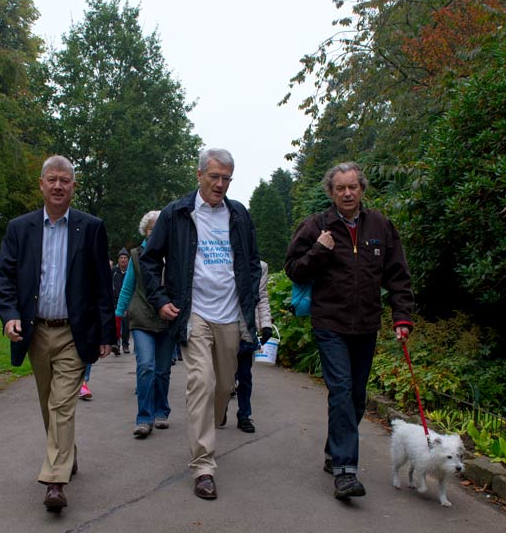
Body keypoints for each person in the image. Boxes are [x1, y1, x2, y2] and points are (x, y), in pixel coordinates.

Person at [285, 161, 413, 500]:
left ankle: (333, 450)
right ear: (331, 191)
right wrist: (319, 250)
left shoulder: (380, 226)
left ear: (362, 189)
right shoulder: (316, 226)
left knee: (356, 396)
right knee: (340, 390)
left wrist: (402, 317)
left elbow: (398, 274)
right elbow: (295, 270)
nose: (347, 193)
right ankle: (345, 471)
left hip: (366, 325)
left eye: (352, 186)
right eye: (340, 187)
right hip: (330, 324)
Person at [0, 155, 115, 512]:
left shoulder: (91, 227)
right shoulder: (20, 228)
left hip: (74, 333)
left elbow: (100, 285)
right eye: (52, 179)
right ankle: (67, 454)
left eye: (65, 180)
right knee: (49, 404)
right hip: (37, 331)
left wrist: (106, 332)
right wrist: (10, 315)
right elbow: (4, 275)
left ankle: (55, 481)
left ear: (74, 186)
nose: (58, 185)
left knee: (62, 403)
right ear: (42, 185)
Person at [141, 148, 261, 500]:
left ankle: (216, 417)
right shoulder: (177, 213)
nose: (220, 184)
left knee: (223, 388)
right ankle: (204, 466)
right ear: (199, 175)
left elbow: (252, 263)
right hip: (194, 313)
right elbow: (149, 260)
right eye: (214, 177)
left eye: (226, 178)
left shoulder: (239, 214)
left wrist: (249, 298)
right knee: (201, 383)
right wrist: (162, 301)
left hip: (230, 316)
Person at [115, 210, 174, 438]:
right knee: (146, 366)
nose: (156, 232)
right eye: (152, 228)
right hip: (140, 318)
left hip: (168, 317)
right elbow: (128, 287)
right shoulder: (136, 255)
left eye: (160, 228)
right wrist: (118, 316)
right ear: (145, 231)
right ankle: (143, 417)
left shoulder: (173, 254)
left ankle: (161, 411)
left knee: (162, 370)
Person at [228, 260, 273, 433]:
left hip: (246, 326)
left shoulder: (260, 267)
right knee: (224, 375)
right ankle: (221, 407)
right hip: (225, 323)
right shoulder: (225, 261)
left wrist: (266, 324)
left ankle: (244, 415)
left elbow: (262, 296)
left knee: (245, 374)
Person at [111, 249, 131, 355]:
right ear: (118, 260)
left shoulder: (130, 271)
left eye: (125, 258)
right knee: (116, 323)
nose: (123, 260)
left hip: (127, 302)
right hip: (115, 301)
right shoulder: (113, 271)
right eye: (121, 258)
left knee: (126, 323)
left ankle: (125, 344)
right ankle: (116, 344)